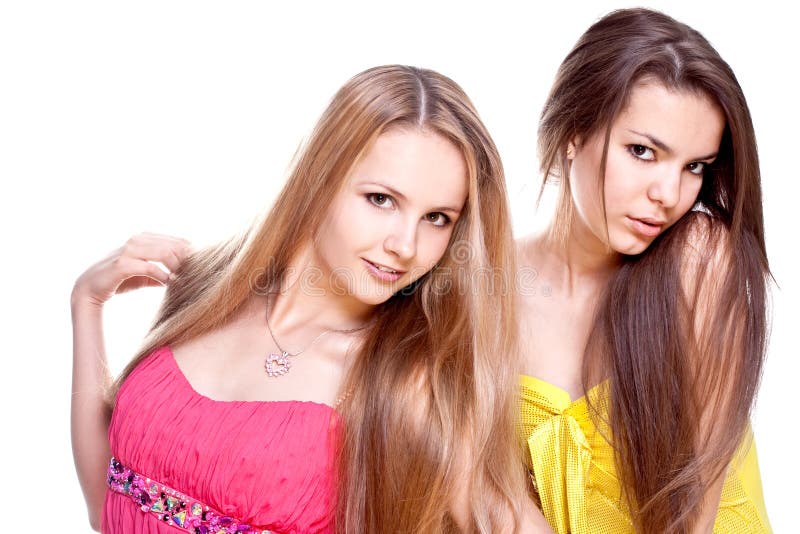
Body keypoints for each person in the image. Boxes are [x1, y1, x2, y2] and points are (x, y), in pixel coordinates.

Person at [71, 65, 552, 532]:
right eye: (381, 199)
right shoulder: (202, 286)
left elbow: (506, 517)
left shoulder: (404, 381)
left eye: (437, 218)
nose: (405, 245)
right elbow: (106, 505)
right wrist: (86, 304)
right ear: (321, 178)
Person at [516, 8, 771, 533]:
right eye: (643, 151)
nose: (669, 195)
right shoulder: (487, 285)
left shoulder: (698, 261)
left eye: (694, 166)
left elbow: (697, 516)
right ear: (573, 131)